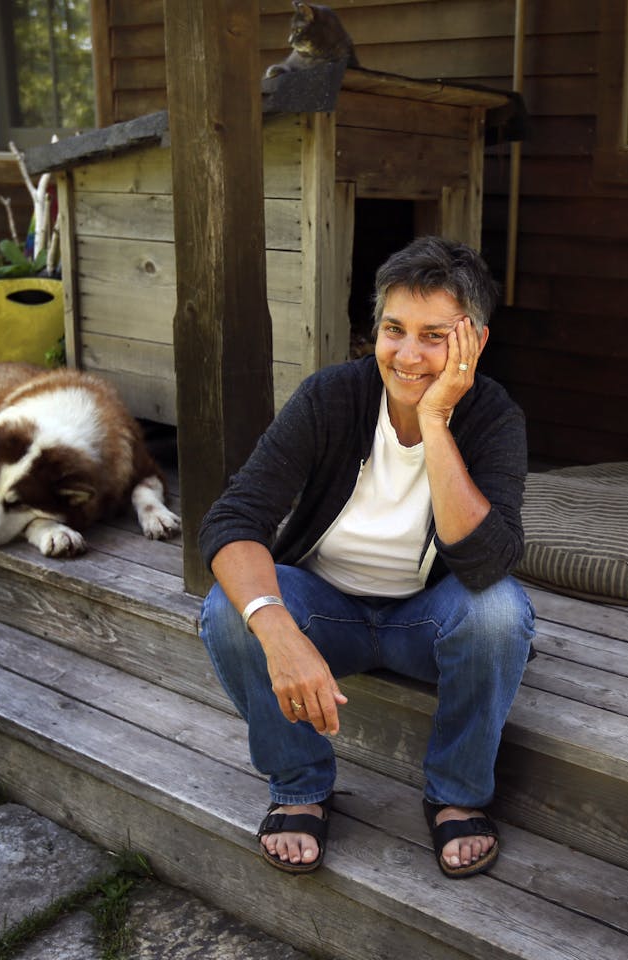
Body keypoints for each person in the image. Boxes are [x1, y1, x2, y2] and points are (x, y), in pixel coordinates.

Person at [198, 236, 533, 880]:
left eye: (435, 336)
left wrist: (436, 421)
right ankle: (300, 785)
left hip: (426, 623)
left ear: (475, 344)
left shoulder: (492, 416)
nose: (408, 356)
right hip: (327, 613)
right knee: (230, 609)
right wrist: (278, 631)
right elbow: (234, 519)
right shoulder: (331, 398)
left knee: (498, 612)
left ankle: (457, 794)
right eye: (394, 330)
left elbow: (488, 562)